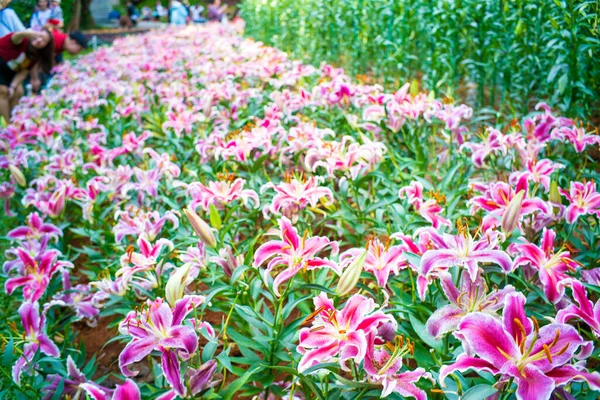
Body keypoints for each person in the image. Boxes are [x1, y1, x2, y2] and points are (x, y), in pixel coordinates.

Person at [0, 29, 53, 120]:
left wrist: (13, 86)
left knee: (18, 91)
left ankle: (14, 119)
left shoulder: (34, 55)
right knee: (3, 91)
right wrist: (26, 33)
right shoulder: (22, 40)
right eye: (39, 36)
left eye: (44, 40)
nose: (39, 40)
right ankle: (5, 124)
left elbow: (23, 71)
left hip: (9, 72)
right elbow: (16, 37)